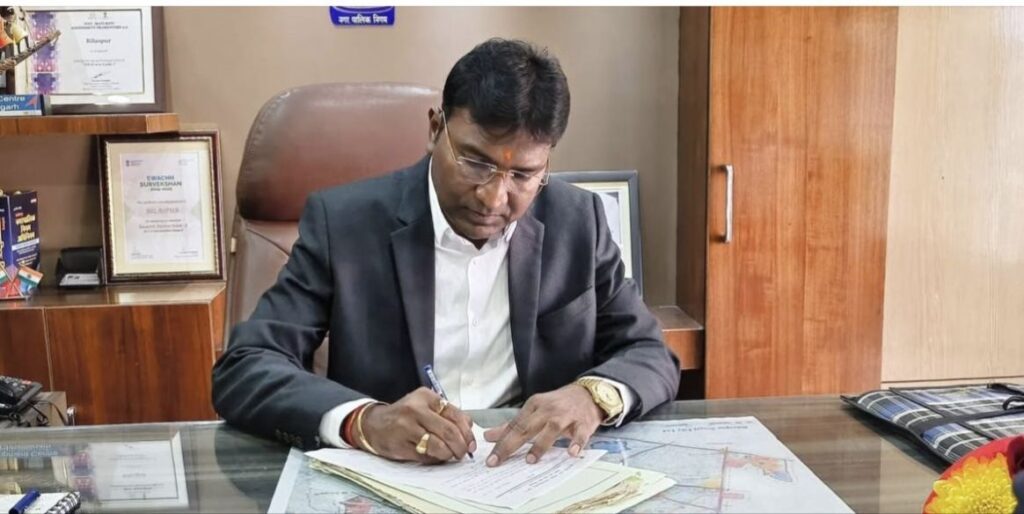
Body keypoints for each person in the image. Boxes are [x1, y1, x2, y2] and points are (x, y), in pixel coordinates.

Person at [212, 38, 679, 467]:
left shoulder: (578, 222)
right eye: (475, 162)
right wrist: (365, 421)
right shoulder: (346, 225)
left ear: (546, 164)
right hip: (395, 475)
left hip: (527, 473)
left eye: (522, 175)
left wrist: (591, 396)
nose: (493, 198)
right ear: (436, 128)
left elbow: (648, 351)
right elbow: (246, 366)